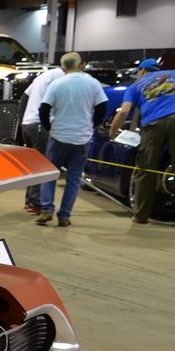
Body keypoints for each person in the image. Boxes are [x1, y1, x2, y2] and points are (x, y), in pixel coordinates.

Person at [35, 52, 107, 227]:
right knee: (73, 179)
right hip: (82, 138)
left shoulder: (57, 84)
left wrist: (49, 127)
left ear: (62, 67)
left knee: (50, 175)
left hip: (59, 135)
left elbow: (43, 109)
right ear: (81, 64)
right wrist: (92, 125)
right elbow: (102, 106)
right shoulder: (93, 83)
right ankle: (64, 216)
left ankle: (46, 209)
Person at [107, 58, 175, 224]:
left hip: (153, 125)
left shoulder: (135, 86)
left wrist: (112, 132)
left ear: (141, 71)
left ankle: (140, 215)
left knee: (145, 170)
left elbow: (124, 111)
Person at [19, 65, 65, 213]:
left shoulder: (45, 75)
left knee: (33, 165)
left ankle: (30, 201)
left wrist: (23, 121)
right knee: (42, 165)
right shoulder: (60, 77)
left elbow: (24, 97)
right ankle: (35, 202)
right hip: (40, 125)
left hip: (28, 125)